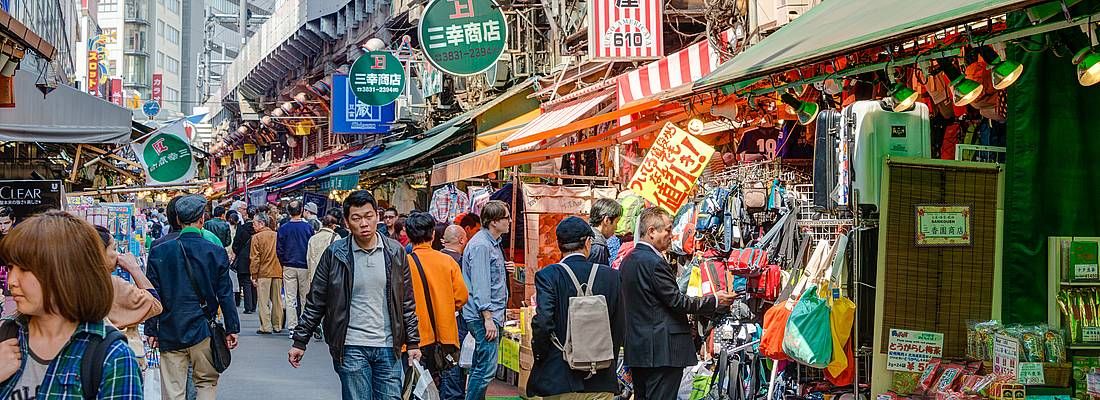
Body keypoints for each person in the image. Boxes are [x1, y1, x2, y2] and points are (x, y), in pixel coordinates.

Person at [289, 190, 421, 400]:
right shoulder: (335, 254)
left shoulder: (396, 253)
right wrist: (300, 340)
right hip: (350, 345)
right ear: (347, 222)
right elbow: (316, 301)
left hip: (388, 346)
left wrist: (413, 342)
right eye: (356, 218)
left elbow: (406, 302)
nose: (364, 223)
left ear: (377, 216)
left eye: (368, 216)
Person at [0, 211, 143, 398]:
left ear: (65, 273)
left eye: (25, 269)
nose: (12, 280)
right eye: (10, 267)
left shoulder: (111, 357)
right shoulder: (7, 335)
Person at [619, 207, 738, 400]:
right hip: (661, 351)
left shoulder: (629, 260)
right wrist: (715, 300)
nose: (672, 235)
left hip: (640, 349)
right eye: (667, 230)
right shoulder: (654, 263)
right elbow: (677, 301)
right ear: (651, 231)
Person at [146, 194, 241, 400]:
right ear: (202, 220)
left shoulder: (159, 251)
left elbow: (152, 294)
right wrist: (232, 328)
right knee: (206, 383)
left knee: (173, 389)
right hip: (203, 328)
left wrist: (152, 329)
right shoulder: (215, 252)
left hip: (170, 329)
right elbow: (225, 294)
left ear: (178, 220)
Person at [529, 216, 624, 399]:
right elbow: (619, 326)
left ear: (559, 244)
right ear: (588, 242)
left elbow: (543, 323)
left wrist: (542, 357)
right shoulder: (611, 277)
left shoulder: (548, 275)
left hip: (558, 378)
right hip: (601, 379)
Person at [405, 213, 468, 381]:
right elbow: (461, 296)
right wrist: (444, 306)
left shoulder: (404, 263)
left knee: (416, 386)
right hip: (444, 337)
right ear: (433, 234)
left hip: (414, 338)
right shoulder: (447, 262)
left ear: (408, 235)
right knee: (441, 382)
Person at [462, 200, 513, 400]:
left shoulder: (491, 243)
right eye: (505, 218)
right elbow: (480, 283)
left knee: (480, 367)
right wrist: (487, 317)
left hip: (489, 314)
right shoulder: (482, 245)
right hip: (483, 315)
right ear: (493, 222)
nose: (509, 221)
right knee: (485, 370)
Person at [437, 223, 468, 399]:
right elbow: (463, 296)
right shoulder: (460, 262)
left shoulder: (432, 259)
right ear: (462, 240)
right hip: (454, 319)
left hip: (429, 321)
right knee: (452, 363)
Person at [277, 200, 314, 335]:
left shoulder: (283, 228)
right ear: (302, 210)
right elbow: (311, 248)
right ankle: (304, 326)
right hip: (304, 266)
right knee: (305, 297)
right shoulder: (308, 228)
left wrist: (283, 262)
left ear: (288, 212)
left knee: (290, 298)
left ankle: (292, 327)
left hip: (288, 266)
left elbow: (279, 249)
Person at [250, 212, 285, 334]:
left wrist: (254, 275)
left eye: (254, 223)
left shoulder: (256, 238)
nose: (253, 226)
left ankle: (266, 326)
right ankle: (277, 325)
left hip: (263, 273)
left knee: (263, 301)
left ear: (261, 223)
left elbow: (255, 258)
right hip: (277, 271)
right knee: (277, 300)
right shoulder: (277, 235)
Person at [232, 207, 257, 314]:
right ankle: (254, 305)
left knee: (246, 282)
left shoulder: (241, 228)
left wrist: (238, 252)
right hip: (256, 256)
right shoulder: (258, 229)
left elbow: (236, 244)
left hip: (244, 258)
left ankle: (248, 306)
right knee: (254, 281)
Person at [588, 199, 623, 265]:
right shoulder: (598, 247)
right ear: (607, 220)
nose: (616, 228)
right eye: (616, 222)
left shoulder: (586, 236)